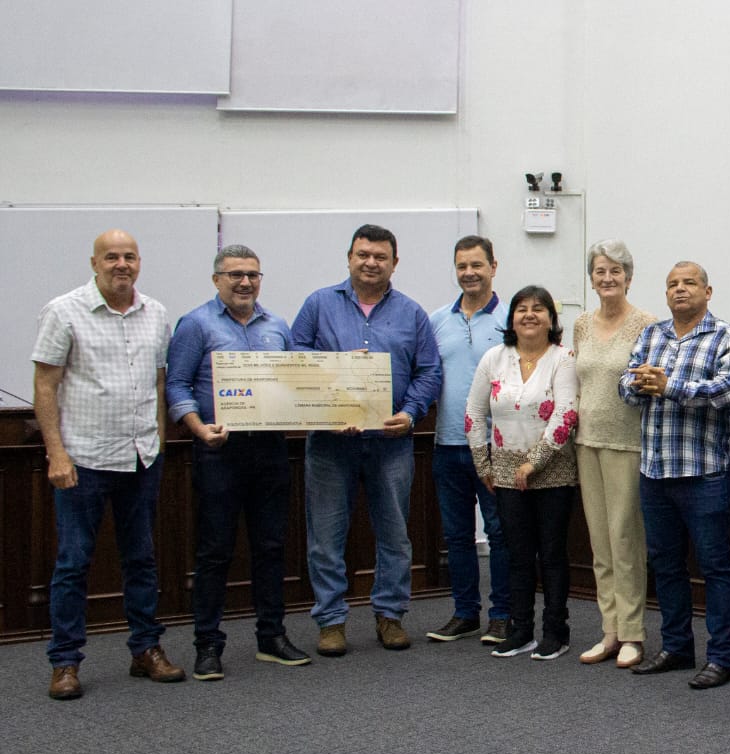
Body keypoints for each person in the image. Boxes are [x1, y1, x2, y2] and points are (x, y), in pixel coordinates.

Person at [35, 229, 182, 699]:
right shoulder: (64, 311)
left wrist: (159, 441)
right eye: (112, 257)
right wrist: (56, 453)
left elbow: (159, 383)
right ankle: (65, 661)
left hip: (141, 458)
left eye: (130, 257)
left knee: (141, 559)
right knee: (73, 563)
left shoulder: (156, 313)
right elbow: (45, 386)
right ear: (94, 263)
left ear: (139, 262)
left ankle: (145, 649)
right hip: (85, 460)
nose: (122, 264)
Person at [291, 224, 441, 657]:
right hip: (330, 443)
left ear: (394, 263)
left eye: (380, 256)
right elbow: (294, 356)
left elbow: (429, 371)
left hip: (390, 443)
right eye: (363, 254)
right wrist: (336, 365)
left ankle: (390, 615)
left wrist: (410, 414)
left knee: (395, 536)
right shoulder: (318, 304)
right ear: (349, 258)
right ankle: (331, 621)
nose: (371, 263)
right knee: (325, 537)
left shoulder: (412, 313)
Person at [165, 244, 310, 681]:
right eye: (235, 275)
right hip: (219, 451)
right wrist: (198, 428)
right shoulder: (196, 324)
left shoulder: (277, 326)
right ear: (217, 280)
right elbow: (177, 384)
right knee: (215, 551)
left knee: (271, 547)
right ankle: (208, 645)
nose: (245, 282)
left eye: (253, 275)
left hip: (270, 450)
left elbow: (299, 382)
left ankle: (271, 637)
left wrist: (345, 384)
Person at [621, 261, 730, 689]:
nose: (680, 289)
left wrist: (668, 386)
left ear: (707, 292)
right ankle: (676, 648)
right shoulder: (651, 335)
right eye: (672, 284)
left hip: (704, 474)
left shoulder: (727, 336)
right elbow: (625, 384)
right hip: (655, 473)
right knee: (666, 565)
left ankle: (722, 657)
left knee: (715, 568)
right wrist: (638, 383)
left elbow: (729, 390)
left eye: (689, 283)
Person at [466, 286, 578, 660]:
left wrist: (534, 462)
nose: (529, 315)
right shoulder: (494, 358)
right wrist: (483, 464)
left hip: (554, 471)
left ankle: (556, 632)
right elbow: (473, 411)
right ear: (511, 319)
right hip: (504, 472)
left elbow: (566, 414)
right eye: (521, 309)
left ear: (551, 319)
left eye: (538, 309)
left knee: (552, 554)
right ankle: (520, 630)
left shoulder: (563, 359)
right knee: (518, 554)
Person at [571, 239, 655, 669]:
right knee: (600, 543)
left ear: (629, 278)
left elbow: (648, 383)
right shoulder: (581, 324)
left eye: (615, 271)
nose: (607, 278)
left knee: (626, 541)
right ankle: (610, 630)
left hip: (628, 443)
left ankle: (633, 634)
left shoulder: (647, 324)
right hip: (586, 443)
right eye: (600, 271)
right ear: (591, 279)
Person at [426, 235, 512, 646]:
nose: (469, 273)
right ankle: (465, 613)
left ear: (494, 266)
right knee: (457, 536)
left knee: (499, 534)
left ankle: (502, 614)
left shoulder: (512, 319)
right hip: (447, 445)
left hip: (497, 447)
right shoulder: (437, 320)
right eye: (462, 266)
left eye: (477, 265)